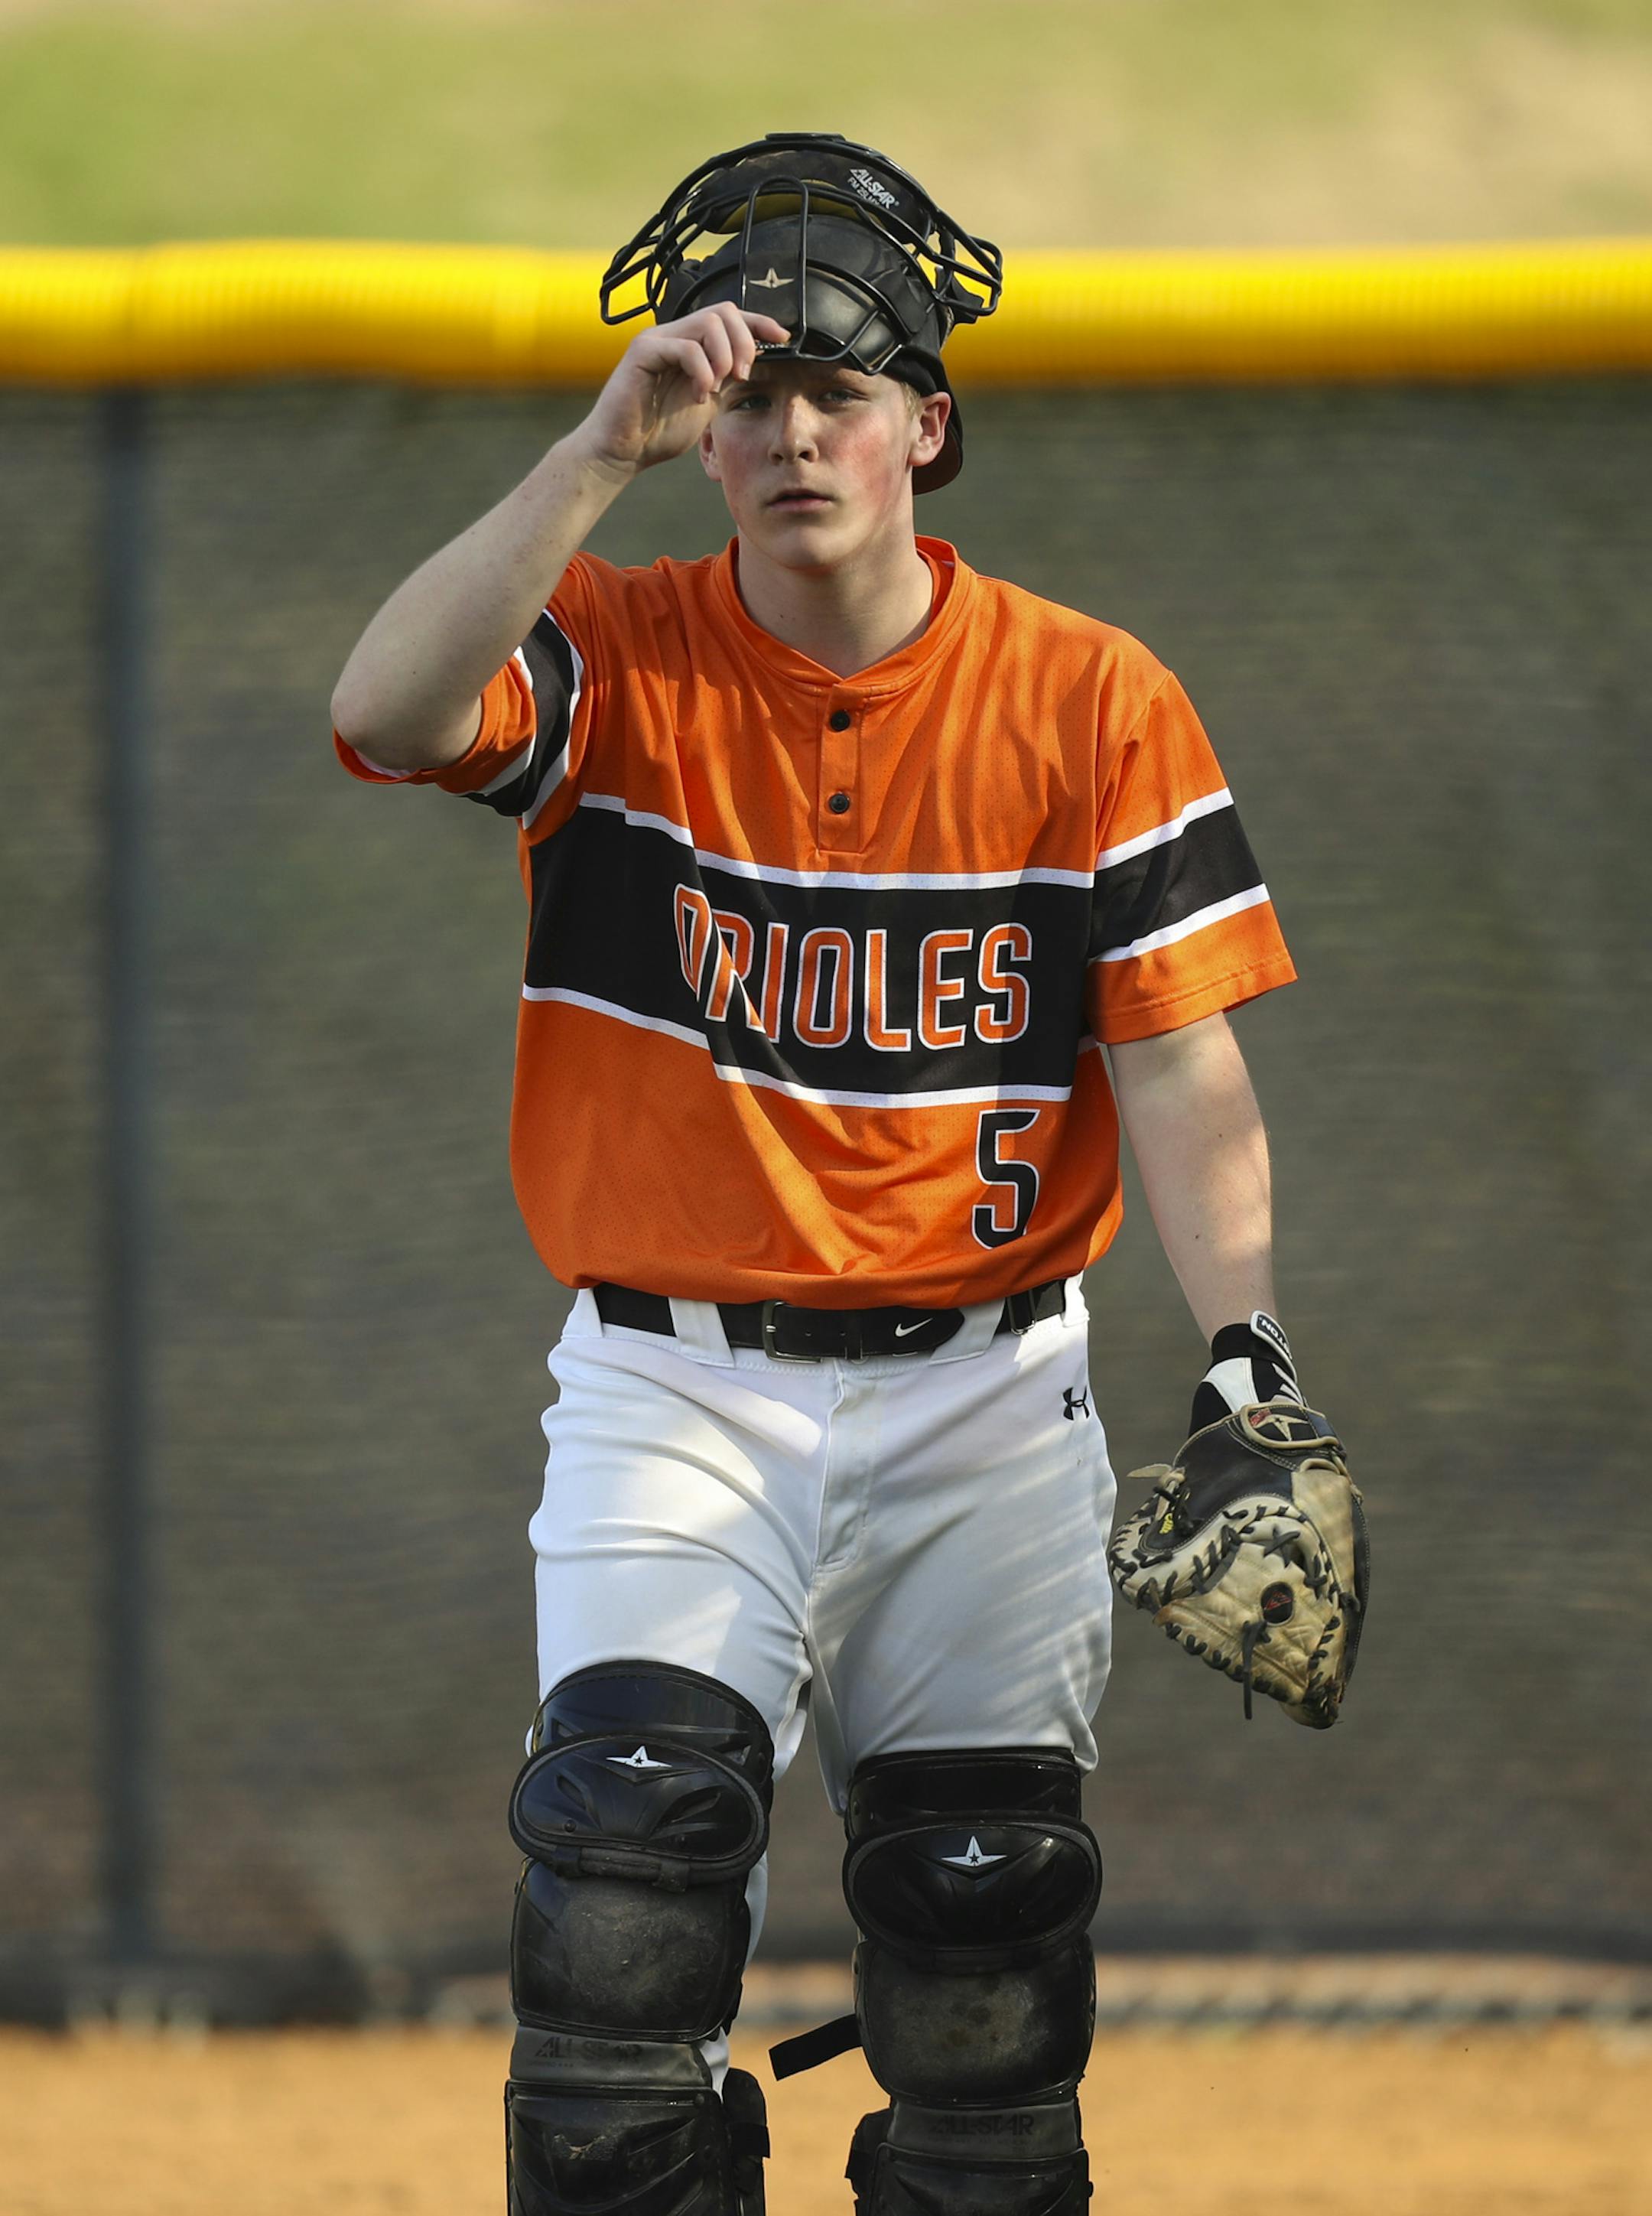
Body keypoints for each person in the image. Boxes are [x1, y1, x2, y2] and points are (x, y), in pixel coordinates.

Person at [332, 134, 1305, 2216]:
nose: (789, 431)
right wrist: (597, 450)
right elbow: (387, 705)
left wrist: (1246, 1359)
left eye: (837, 387)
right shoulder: (612, 647)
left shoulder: (1086, 694)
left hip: (985, 1399)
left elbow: (1187, 1072)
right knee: (618, 1915)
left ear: (925, 426)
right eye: (753, 392)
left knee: (985, 1978)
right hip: (676, 1386)